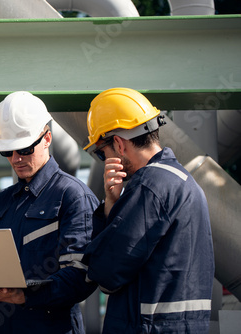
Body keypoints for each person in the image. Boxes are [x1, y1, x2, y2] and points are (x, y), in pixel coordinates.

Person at [0, 91, 99, 333]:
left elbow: (81, 277)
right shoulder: (0, 203)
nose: (15, 159)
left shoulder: (73, 196)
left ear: (47, 138)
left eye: (24, 149)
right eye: (7, 152)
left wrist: (25, 295)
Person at [81, 87, 214, 333]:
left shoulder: (149, 186)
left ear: (119, 144)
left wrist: (110, 209)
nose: (104, 160)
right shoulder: (182, 181)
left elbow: (106, 273)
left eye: (102, 153)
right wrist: (113, 203)